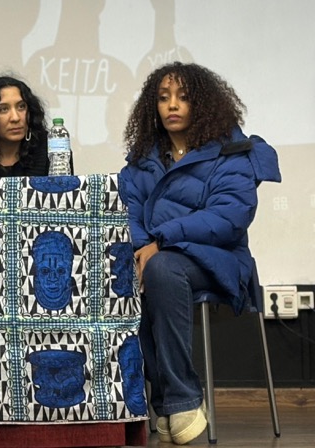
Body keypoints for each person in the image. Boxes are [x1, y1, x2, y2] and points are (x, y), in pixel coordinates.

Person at [118, 62, 280, 445]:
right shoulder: (141, 160)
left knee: (160, 268)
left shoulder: (230, 153)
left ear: (204, 104)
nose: (172, 105)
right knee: (126, 277)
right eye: (163, 98)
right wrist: (141, 247)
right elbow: (126, 211)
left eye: (183, 97)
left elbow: (228, 217)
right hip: (156, 261)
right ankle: (158, 402)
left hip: (218, 260)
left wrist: (160, 240)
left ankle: (181, 398)